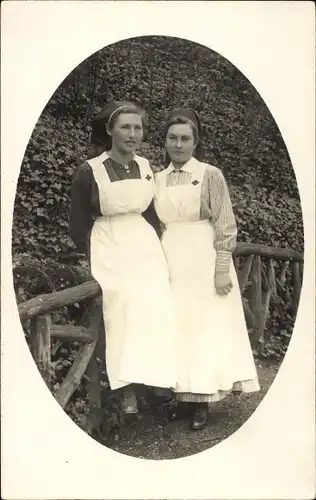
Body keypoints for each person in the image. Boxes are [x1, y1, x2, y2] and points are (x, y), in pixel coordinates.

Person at [154, 107, 260, 430]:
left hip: (203, 257)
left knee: (203, 326)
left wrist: (221, 268)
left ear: (195, 141)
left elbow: (226, 224)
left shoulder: (210, 174)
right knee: (178, 326)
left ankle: (203, 401)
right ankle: (183, 398)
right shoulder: (157, 179)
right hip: (171, 258)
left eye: (185, 138)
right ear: (165, 141)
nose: (178, 144)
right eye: (172, 138)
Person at [69, 101, 176, 415]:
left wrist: (160, 245)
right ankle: (126, 388)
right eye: (126, 127)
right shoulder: (90, 170)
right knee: (122, 307)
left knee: (157, 304)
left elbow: (153, 214)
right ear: (110, 131)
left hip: (144, 243)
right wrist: (92, 257)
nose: (133, 134)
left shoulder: (146, 167)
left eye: (138, 128)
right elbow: (78, 225)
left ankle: (157, 379)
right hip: (109, 243)